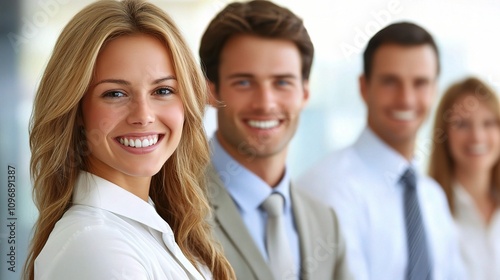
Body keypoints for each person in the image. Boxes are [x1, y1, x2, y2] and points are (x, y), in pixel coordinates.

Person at [23, 1, 235, 279]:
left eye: (162, 90)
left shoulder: (158, 226)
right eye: (115, 94)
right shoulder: (97, 246)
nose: (143, 116)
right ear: (76, 112)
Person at [198, 1, 352, 279]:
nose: (265, 103)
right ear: (212, 91)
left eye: (282, 82)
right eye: (243, 82)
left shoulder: (325, 222)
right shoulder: (173, 205)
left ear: (305, 93)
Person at [298, 22, 463, 279]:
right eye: (390, 82)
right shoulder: (328, 189)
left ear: (434, 90)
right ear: (364, 87)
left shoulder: (432, 198)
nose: (406, 99)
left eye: (420, 83)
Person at [429, 77, 500, 280]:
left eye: (488, 123)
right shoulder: (430, 209)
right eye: (462, 125)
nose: (477, 136)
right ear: (444, 134)